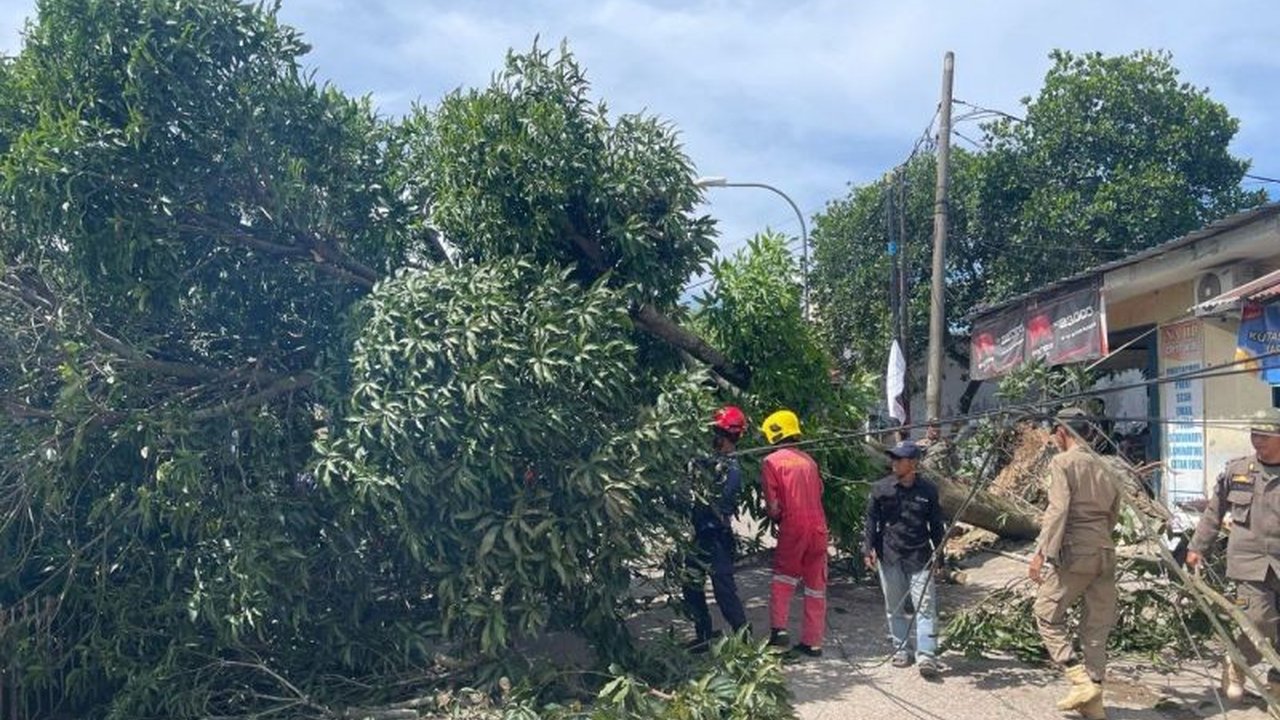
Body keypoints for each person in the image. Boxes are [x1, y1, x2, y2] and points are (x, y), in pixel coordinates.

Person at [1028, 407, 1121, 720]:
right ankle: (1094, 700)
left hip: (1075, 552)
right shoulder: (1108, 466)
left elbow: (1058, 510)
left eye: (1055, 434)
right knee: (1096, 626)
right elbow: (1114, 513)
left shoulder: (1062, 462)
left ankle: (1078, 678)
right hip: (1105, 550)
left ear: (1062, 433)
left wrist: (1042, 553)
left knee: (1045, 613)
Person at [1187, 406, 1280, 702]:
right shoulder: (1237, 471)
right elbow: (1214, 513)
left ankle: (1276, 682)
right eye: (1254, 434)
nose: (1257, 440)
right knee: (1258, 619)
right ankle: (1237, 662)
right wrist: (1197, 547)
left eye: (1264, 435)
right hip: (1249, 562)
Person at [863, 440, 946, 678]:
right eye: (893, 458)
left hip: (920, 555)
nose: (894, 463)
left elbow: (936, 526)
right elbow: (871, 521)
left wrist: (940, 557)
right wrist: (868, 548)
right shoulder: (881, 489)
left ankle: (927, 656)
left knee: (925, 607)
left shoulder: (928, 490)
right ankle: (901, 649)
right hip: (889, 555)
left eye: (899, 459)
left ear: (912, 463)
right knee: (894, 607)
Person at [760, 408, 828, 658]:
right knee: (815, 585)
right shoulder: (810, 461)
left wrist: (776, 517)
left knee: (784, 578)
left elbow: (774, 506)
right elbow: (819, 491)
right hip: (819, 527)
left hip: (794, 526)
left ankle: (779, 632)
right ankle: (813, 642)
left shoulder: (771, 462)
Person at [681, 405, 749, 650]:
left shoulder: (731, 470)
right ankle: (704, 633)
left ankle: (744, 639)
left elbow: (719, 500)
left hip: (716, 536)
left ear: (725, 435)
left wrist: (706, 470)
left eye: (717, 433)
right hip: (701, 534)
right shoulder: (710, 461)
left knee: (723, 590)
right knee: (690, 584)